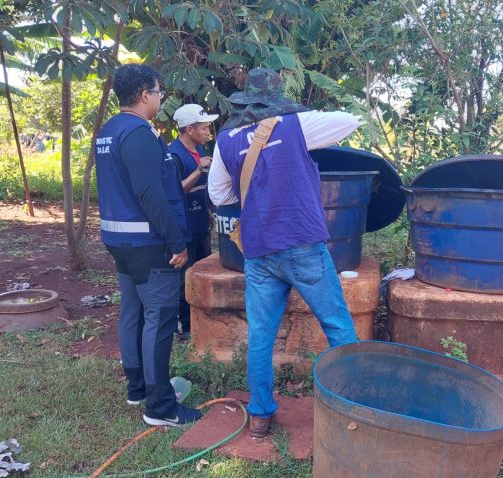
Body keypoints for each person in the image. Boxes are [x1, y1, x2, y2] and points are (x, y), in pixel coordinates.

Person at [208, 68, 360, 438]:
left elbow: (219, 195)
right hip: (302, 244)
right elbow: (350, 121)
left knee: (261, 335)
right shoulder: (295, 125)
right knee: (337, 325)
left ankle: (260, 416)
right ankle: (352, 409)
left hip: (259, 251)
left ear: (246, 100)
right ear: (278, 98)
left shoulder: (226, 139)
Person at [95, 63, 202, 427]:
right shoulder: (138, 133)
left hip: (119, 240)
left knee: (134, 312)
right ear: (144, 95)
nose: (160, 98)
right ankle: (160, 407)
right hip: (147, 242)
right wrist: (176, 241)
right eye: (158, 92)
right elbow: (149, 193)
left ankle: (138, 387)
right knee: (159, 318)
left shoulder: (109, 131)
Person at [168, 104, 219, 336]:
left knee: (202, 270)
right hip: (183, 225)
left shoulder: (199, 150)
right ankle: (185, 325)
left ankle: (202, 320)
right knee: (184, 277)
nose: (208, 132)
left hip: (200, 222)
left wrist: (208, 211)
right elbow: (174, 191)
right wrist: (198, 171)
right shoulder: (173, 155)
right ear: (190, 129)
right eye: (204, 128)